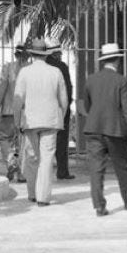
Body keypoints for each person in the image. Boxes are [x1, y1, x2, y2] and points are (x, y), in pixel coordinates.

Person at [81, 43, 127, 217]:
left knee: (96, 169)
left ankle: (99, 206)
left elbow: (87, 105)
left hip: (93, 128)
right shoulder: (122, 81)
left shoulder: (90, 80)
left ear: (104, 60)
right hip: (115, 129)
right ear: (117, 61)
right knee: (121, 166)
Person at [14, 38, 67, 206]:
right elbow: (63, 99)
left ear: (32, 54)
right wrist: (61, 115)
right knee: (46, 159)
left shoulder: (24, 72)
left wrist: (17, 120)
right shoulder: (56, 72)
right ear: (45, 55)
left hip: (30, 120)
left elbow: (17, 99)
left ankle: (32, 193)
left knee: (31, 158)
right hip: (50, 120)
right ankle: (43, 196)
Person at [0, 44, 28, 182]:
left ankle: (10, 160)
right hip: (26, 113)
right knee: (21, 142)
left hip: (9, 111)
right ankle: (21, 173)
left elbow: (1, 90)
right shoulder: (30, 69)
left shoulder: (8, 68)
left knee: (3, 138)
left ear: (15, 55)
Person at [45, 37, 75, 180]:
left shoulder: (42, 67)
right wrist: (67, 108)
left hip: (44, 110)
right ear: (56, 52)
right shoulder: (61, 67)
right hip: (60, 110)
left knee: (43, 142)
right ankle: (62, 171)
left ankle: (43, 171)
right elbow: (67, 89)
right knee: (61, 142)